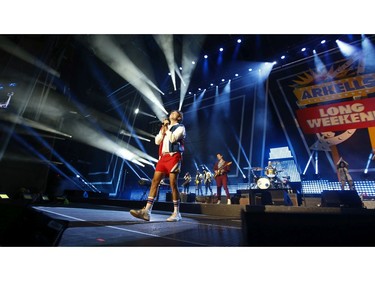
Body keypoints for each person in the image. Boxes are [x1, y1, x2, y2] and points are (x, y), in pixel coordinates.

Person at [130, 110, 186, 222]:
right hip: (163, 158)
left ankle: (176, 213)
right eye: (172, 112)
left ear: (179, 117)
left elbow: (173, 139)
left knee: (173, 184)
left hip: (173, 156)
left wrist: (167, 128)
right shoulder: (164, 127)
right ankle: (147, 211)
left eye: (175, 113)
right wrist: (163, 129)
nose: (172, 113)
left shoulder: (181, 127)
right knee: (155, 182)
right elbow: (157, 141)